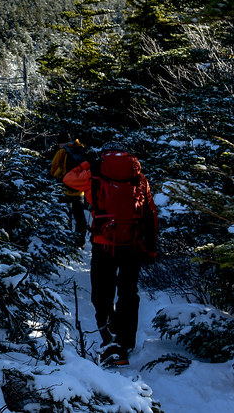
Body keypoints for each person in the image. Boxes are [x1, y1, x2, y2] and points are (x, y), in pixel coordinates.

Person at [64, 146, 159, 366]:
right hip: (132, 244)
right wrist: (151, 246)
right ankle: (125, 342)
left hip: (103, 243)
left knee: (101, 292)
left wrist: (89, 163)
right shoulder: (139, 178)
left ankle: (109, 339)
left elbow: (69, 179)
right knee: (128, 292)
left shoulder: (95, 174)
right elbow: (150, 212)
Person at [49, 132, 88, 243]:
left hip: (64, 189)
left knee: (66, 217)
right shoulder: (81, 149)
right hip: (79, 190)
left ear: (61, 142)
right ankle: (80, 242)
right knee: (80, 217)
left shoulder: (62, 151)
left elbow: (53, 169)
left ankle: (67, 243)